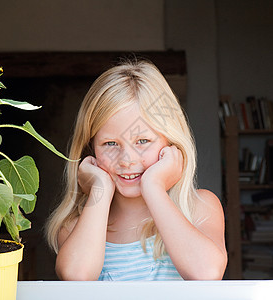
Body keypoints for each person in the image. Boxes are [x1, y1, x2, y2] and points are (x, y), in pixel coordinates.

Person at [46, 59, 227, 281]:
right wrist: (100, 190)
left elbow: (206, 273)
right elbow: (76, 276)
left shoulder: (199, 207)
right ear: (90, 148)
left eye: (142, 141)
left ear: (170, 142)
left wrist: (153, 188)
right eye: (110, 144)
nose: (127, 160)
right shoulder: (78, 224)